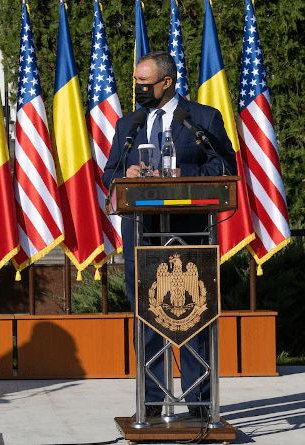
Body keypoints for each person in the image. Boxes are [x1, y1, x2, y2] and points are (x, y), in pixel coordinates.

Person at [101, 50, 236, 418]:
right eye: (136, 82)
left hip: (188, 235)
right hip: (141, 236)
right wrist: (122, 176)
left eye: (145, 82)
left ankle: (199, 406)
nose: (139, 88)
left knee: (191, 316)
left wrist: (181, 173)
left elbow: (224, 165)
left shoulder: (202, 118)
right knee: (145, 316)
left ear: (167, 82)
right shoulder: (128, 123)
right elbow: (108, 172)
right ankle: (152, 405)